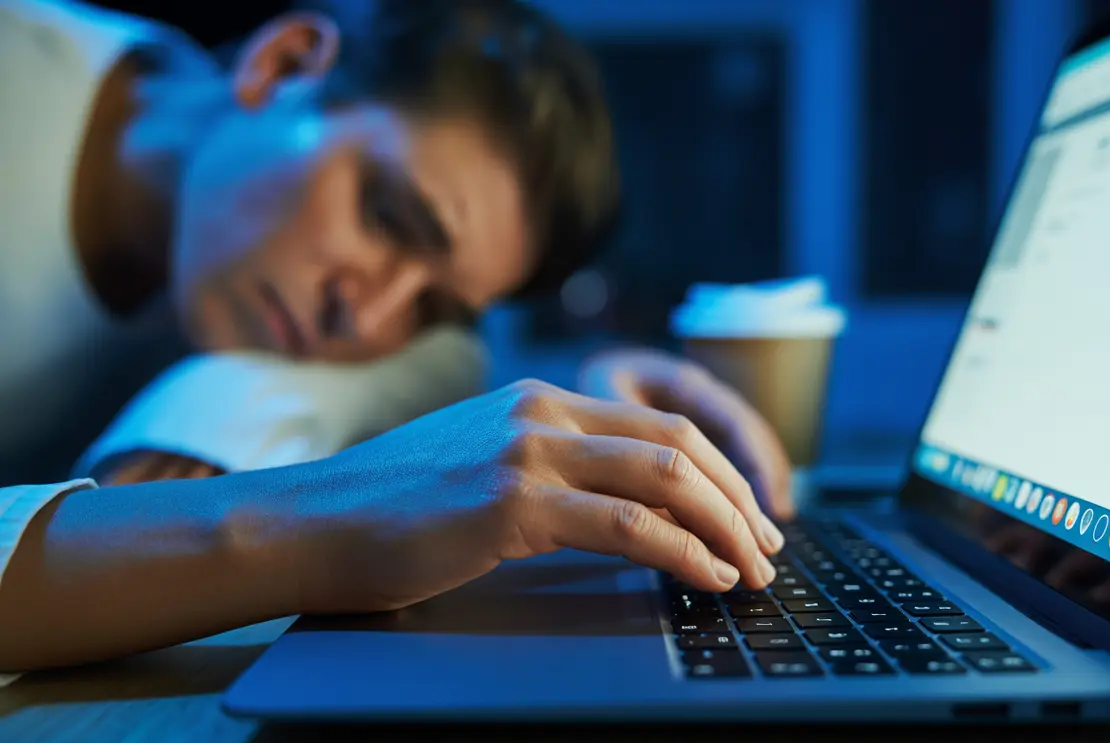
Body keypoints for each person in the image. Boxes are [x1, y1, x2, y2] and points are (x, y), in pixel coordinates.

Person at [0, 0, 793, 676]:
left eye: (430, 307)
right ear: (282, 65)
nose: (370, 320)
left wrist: (587, 386)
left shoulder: (259, 268)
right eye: (385, 215)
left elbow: (452, 365)